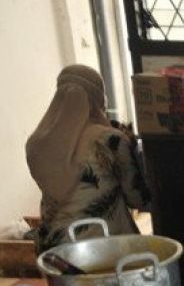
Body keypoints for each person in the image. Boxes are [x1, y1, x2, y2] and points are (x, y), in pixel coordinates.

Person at [26, 65, 149, 253]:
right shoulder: (111, 140)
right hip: (106, 248)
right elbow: (137, 199)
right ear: (98, 98)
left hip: (55, 251)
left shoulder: (38, 143)